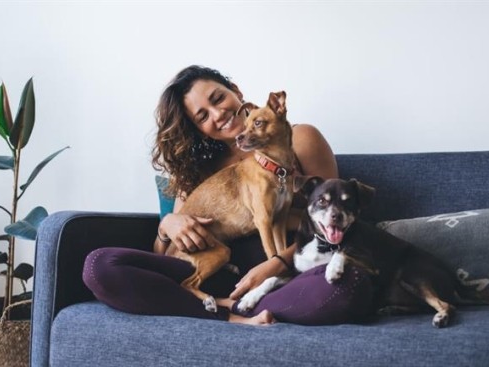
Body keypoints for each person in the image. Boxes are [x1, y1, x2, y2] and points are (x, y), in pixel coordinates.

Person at [83, 65, 372, 325]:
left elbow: (336, 222)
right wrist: (167, 225)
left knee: (348, 283)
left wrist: (275, 266)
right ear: (199, 131)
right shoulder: (198, 173)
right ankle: (229, 313)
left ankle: (225, 308)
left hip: (277, 281)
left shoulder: (300, 139)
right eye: (202, 116)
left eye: (218, 98)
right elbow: (163, 258)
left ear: (236, 92)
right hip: (210, 274)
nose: (218, 114)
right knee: (99, 266)